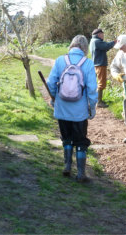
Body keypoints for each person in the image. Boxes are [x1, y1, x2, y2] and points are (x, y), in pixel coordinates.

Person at [47, 35, 98, 182]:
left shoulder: (60, 60)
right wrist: (92, 108)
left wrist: (53, 99)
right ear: (84, 48)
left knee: (66, 138)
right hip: (79, 112)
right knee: (80, 141)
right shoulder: (88, 64)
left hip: (62, 108)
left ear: (71, 45)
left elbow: (51, 82)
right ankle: (81, 173)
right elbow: (92, 89)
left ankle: (67, 166)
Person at [89, 28, 116, 108]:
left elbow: (105, 48)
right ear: (99, 34)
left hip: (96, 64)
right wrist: (114, 42)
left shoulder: (92, 41)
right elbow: (106, 46)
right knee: (101, 83)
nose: (103, 35)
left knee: (99, 82)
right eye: (102, 34)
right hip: (100, 64)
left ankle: (97, 100)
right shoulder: (97, 41)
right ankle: (99, 102)